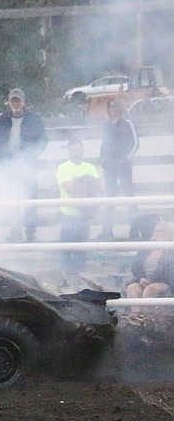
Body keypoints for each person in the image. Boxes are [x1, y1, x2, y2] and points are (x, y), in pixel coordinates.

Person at [0, 88, 49, 242]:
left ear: (24, 102)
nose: (16, 103)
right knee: (11, 198)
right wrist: (4, 156)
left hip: (28, 164)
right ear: (9, 103)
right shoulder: (2, 120)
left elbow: (43, 140)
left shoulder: (34, 119)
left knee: (30, 199)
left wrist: (31, 155)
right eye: (13, 100)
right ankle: (14, 230)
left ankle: (30, 232)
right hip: (9, 165)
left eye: (18, 100)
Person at [56, 137, 101, 274]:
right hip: (68, 215)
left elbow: (97, 185)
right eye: (74, 148)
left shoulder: (90, 167)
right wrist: (86, 185)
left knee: (81, 250)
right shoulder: (63, 167)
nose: (77, 151)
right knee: (66, 250)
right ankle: (65, 277)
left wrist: (79, 185)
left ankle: (78, 277)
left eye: (79, 148)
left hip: (85, 216)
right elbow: (69, 187)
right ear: (69, 150)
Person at [98, 98, 139, 240]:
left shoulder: (127, 123)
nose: (112, 109)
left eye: (115, 106)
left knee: (129, 198)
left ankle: (135, 231)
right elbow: (103, 144)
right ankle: (107, 231)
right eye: (110, 106)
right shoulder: (107, 125)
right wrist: (101, 158)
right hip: (109, 167)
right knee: (110, 198)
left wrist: (125, 158)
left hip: (123, 167)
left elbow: (135, 143)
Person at [126, 219, 174, 299]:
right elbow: (135, 267)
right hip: (144, 281)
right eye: (157, 231)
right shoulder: (146, 249)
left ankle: (144, 311)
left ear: (170, 235)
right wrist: (141, 278)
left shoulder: (171, 250)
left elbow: (170, 272)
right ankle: (135, 311)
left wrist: (152, 280)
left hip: (166, 283)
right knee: (132, 288)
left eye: (162, 231)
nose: (159, 233)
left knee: (150, 289)